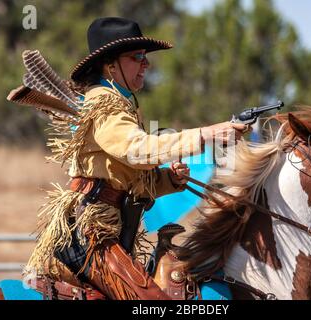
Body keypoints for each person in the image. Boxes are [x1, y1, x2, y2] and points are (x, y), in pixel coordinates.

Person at [24, 17, 246, 300]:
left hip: (106, 231)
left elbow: (131, 178)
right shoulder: (104, 104)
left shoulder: (118, 103)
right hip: (90, 234)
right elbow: (137, 150)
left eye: (145, 57)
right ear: (110, 65)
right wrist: (206, 135)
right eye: (137, 57)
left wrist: (169, 179)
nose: (146, 64)